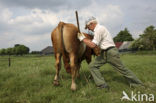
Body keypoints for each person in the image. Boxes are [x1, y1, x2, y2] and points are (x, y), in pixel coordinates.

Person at [77, 16, 144, 89]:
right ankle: (102, 85)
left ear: (92, 24)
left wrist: (82, 38)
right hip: (104, 53)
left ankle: (138, 84)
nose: (89, 29)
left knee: (122, 69)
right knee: (92, 66)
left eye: (88, 27)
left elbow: (92, 45)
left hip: (110, 52)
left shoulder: (99, 29)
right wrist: (84, 39)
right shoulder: (98, 29)